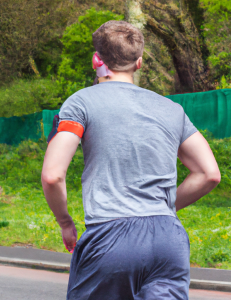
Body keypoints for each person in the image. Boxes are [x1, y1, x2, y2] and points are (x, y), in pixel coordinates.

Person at [41, 21, 220, 300]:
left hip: (111, 237)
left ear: (96, 60)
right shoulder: (172, 109)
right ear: (138, 63)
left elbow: (53, 175)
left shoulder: (80, 103)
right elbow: (209, 174)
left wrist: (65, 222)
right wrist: (165, 207)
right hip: (168, 241)